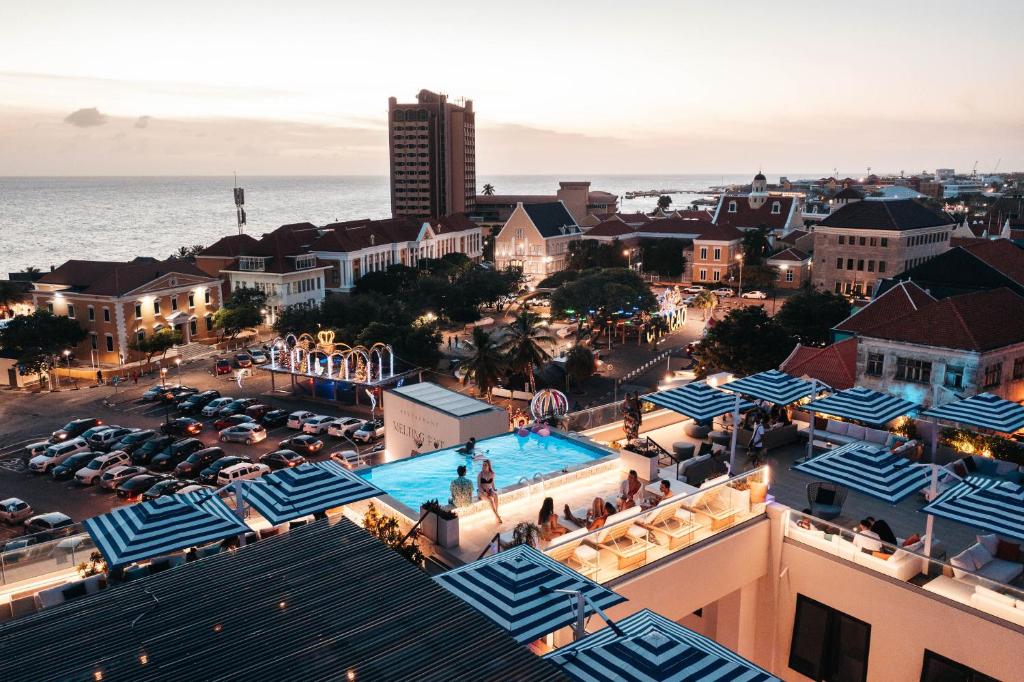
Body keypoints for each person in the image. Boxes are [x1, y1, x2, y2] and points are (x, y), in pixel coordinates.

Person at [477, 459, 502, 524]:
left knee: (496, 495)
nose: (483, 466)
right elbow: (479, 486)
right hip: (481, 492)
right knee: (491, 500)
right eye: (483, 465)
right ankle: (497, 516)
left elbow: (492, 483)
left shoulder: (492, 474)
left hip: (489, 490)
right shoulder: (480, 474)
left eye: (485, 465)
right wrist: (483, 492)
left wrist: (494, 489)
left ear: (489, 466)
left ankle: (496, 512)